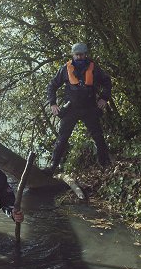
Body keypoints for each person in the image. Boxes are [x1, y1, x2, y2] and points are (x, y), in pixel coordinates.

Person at [46, 42, 112, 175]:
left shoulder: (94, 68)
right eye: (77, 55)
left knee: (98, 137)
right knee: (62, 138)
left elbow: (107, 81)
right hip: (71, 109)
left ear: (85, 55)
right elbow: (52, 85)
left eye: (82, 54)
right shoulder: (65, 68)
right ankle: (52, 167)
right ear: (73, 55)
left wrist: (104, 98)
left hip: (89, 108)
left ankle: (105, 165)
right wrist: (53, 103)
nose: (79, 57)